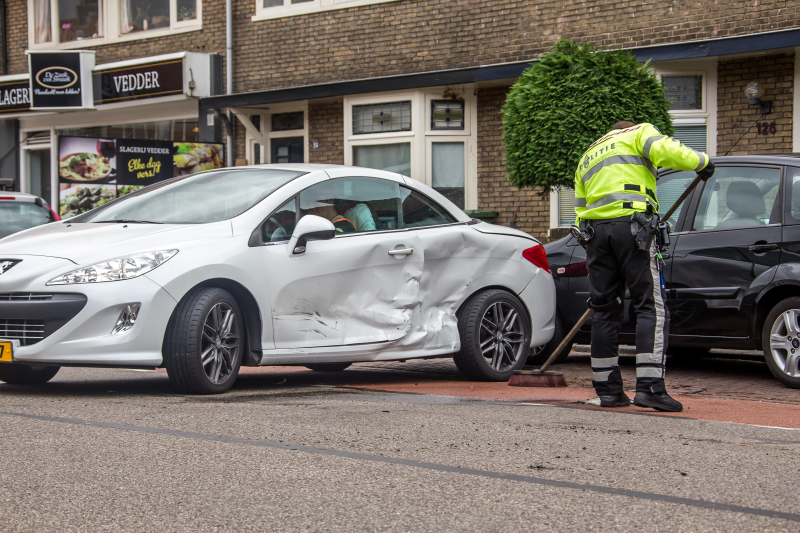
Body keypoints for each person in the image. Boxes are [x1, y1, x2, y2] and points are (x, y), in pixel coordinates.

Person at [574, 120, 715, 412]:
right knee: (650, 305)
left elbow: (579, 205)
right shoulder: (639, 132)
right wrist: (702, 161)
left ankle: (609, 392)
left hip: (595, 234)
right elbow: (667, 152)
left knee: (604, 309)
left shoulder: (589, 154)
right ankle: (650, 388)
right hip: (632, 229)